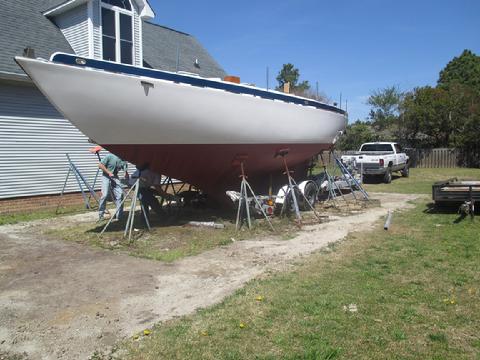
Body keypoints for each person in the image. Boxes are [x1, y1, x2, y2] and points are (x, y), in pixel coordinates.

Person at [98, 153, 128, 221]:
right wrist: (108, 172)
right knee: (104, 195)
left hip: (115, 177)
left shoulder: (124, 159)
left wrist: (126, 173)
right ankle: (101, 215)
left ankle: (119, 216)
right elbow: (100, 165)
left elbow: (125, 167)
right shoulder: (110, 156)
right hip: (105, 176)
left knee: (120, 195)